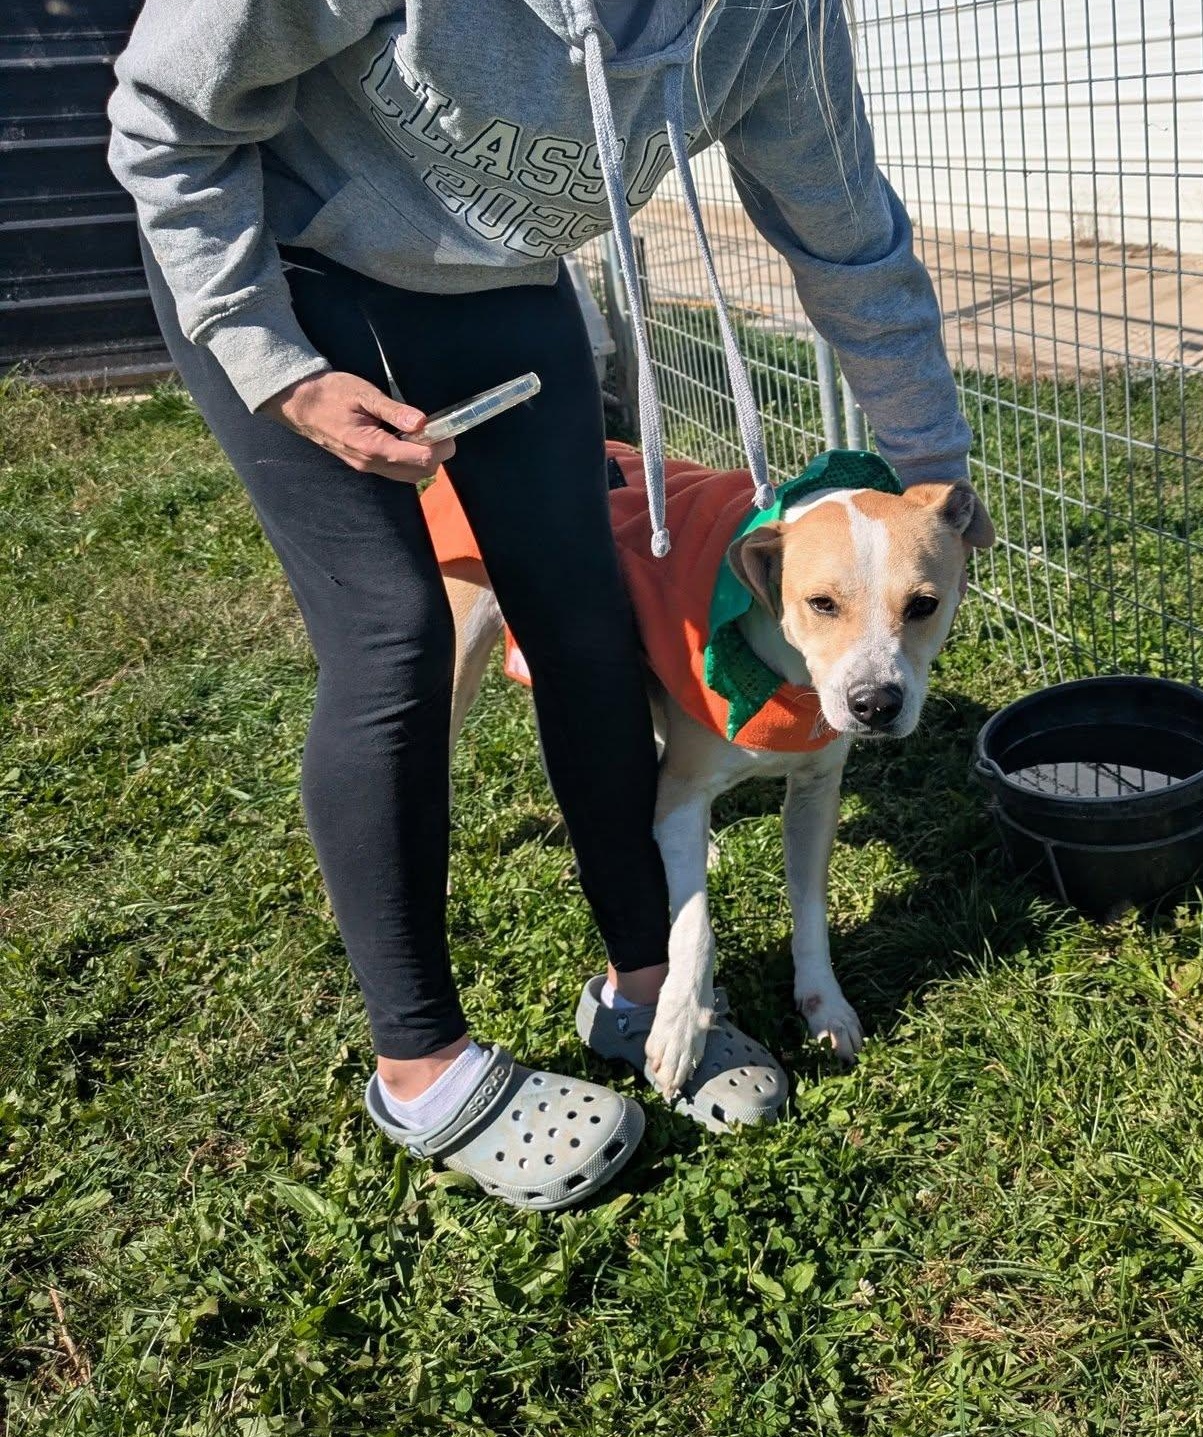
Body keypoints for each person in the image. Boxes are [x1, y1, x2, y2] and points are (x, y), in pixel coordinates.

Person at [107, 0, 972, 1210]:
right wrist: (275, 366)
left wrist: (937, 478)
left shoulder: (772, 17)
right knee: (397, 633)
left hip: (503, 289)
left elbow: (847, 240)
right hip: (283, 264)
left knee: (583, 627)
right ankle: (420, 1065)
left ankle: (639, 983)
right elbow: (166, 112)